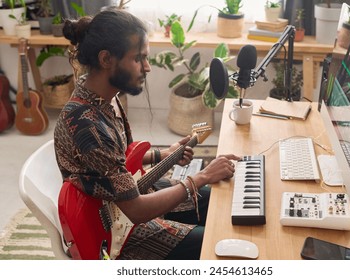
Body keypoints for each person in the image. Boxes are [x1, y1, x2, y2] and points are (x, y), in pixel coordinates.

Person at [54, 8, 241, 260]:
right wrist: (202, 175)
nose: (147, 67)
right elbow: (137, 211)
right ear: (106, 59)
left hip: (120, 200)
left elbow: (116, 163)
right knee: (218, 243)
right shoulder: (89, 126)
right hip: (119, 230)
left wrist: (163, 154)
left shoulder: (105, 99)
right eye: (138, 58)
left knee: (218, 198)